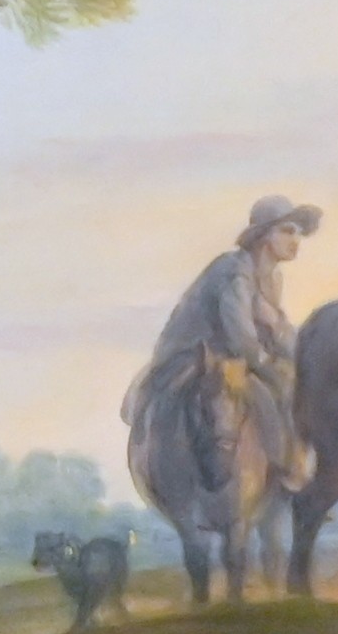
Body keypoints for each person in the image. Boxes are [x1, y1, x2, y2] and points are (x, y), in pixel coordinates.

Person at [131, 194, 317, 500]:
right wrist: (270, 359)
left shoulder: (271, 277)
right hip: (194, 356)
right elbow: (240, 335)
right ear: (263, 235)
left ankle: (285, 471)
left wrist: (305, 356)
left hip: (232, 356)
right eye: (287, 231)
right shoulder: (234, 270)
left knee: (296, 378)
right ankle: (288, 468)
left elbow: (277, 329)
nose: (295, 240)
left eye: (298, 233)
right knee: (280, 384)